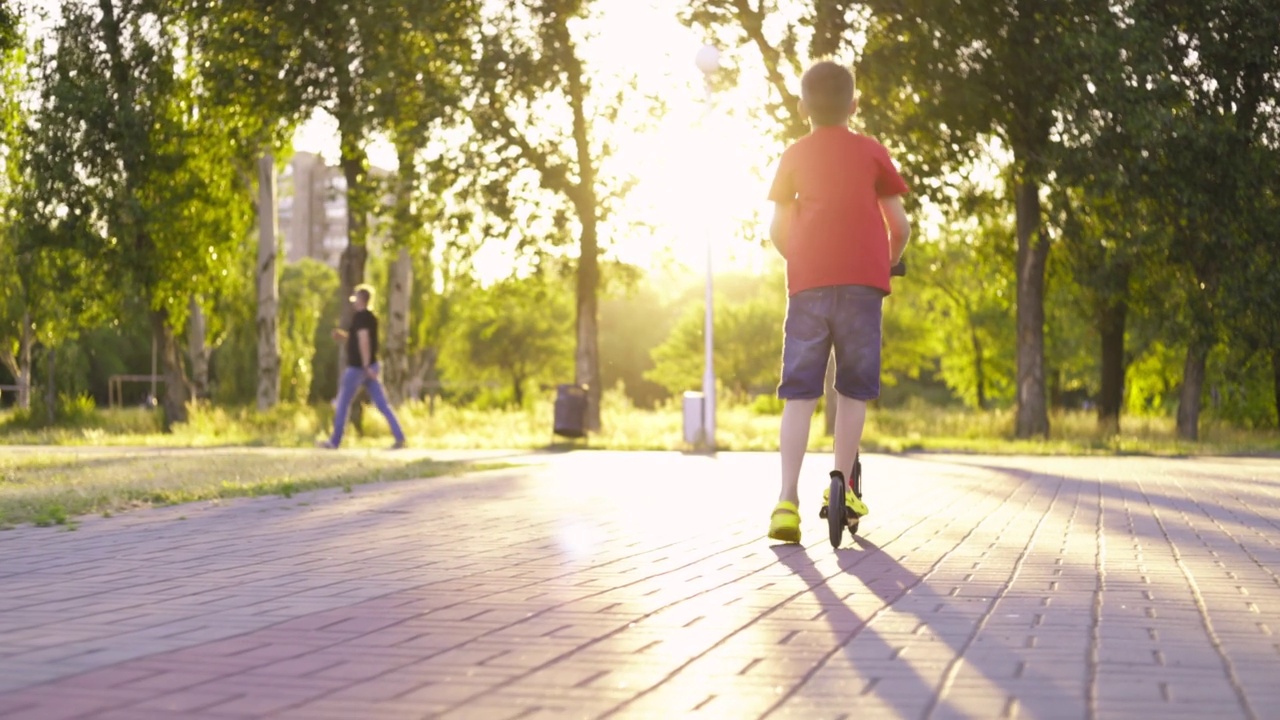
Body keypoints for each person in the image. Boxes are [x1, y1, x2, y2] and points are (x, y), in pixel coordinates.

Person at [765, 61, 912, 543]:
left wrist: (804, 261)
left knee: (800, 393)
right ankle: (841, 488)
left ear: (803, 106)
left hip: (807, 287)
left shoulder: (794, 155)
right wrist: (884, 264)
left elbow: (777, 231)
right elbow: (900, 227)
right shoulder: (872, 153)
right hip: (862, 290)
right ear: (854, 105)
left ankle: (787, 500)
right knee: (853, 390)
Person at [317, 283, 407, 450]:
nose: (353, 302)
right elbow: (357, 338)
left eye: (355, 298)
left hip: (359, 367)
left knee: (343, 403)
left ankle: (334, 441)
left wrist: (365, 365)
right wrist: (344, 336)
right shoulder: (370, 317)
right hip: (370, 366)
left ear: (361, 299)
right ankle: (400, 438)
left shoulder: (361, 317)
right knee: (382, 404)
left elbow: (364, 340)